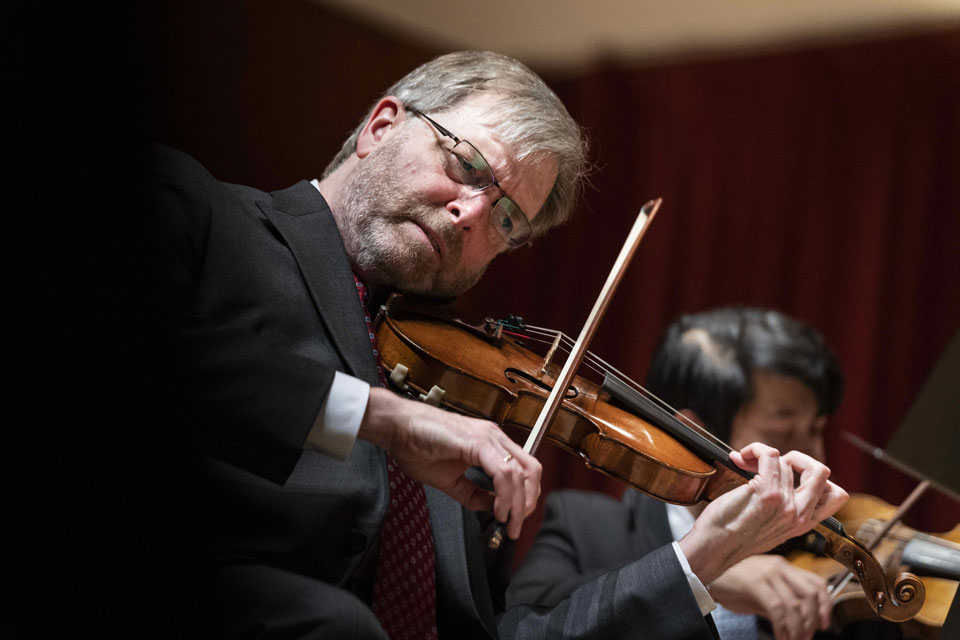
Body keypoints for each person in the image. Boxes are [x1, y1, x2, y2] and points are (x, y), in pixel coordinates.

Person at [150, 52, 847, 639]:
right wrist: (383, 417)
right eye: (466, 164)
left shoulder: (463, 394)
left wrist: (702, 554)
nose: (473, 215)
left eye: (509, 217)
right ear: (381, 126)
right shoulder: (202, 217)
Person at [508, 307, 847, 640]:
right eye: (785, 433)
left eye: (817, 430)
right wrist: (700, 575)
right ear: (696, 435)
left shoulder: (814, 549)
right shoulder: (583, 527)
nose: (815, 458)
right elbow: (523, 624)